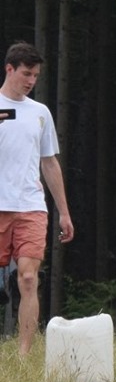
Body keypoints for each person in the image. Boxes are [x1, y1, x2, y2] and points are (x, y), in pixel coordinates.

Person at [0, 42, 75, 357]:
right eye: (26, 74)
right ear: (10, 69)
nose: (31, 81)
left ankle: (24, 354)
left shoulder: (40, 113)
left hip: (32, 206)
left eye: (36, 76)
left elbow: (49, 162)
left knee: (29, 278)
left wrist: (64, 212)